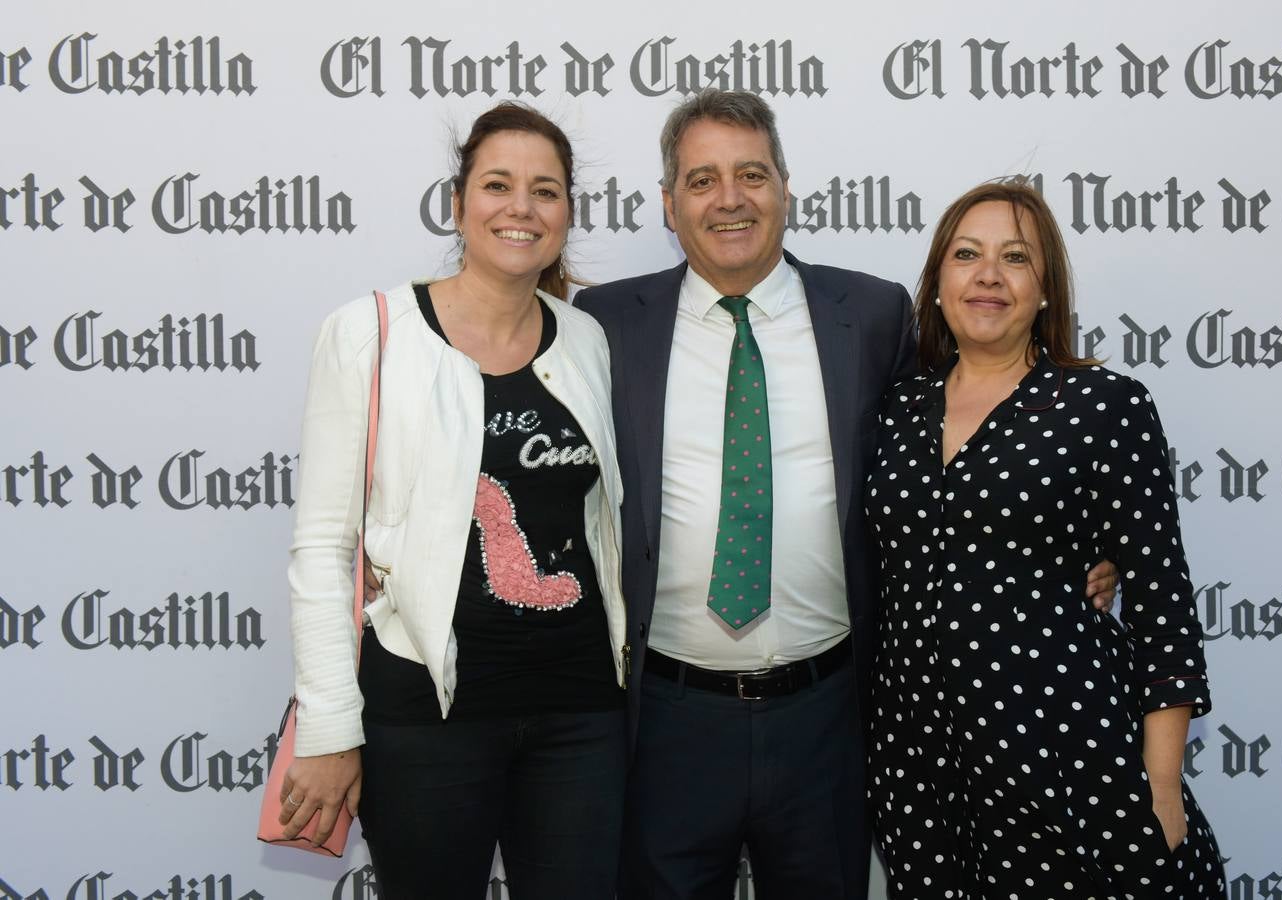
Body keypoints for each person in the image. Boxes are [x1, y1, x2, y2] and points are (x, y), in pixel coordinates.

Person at [575, 91, 1118, 899]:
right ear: (668, 203)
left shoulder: (869, 313)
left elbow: (949, 472)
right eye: (702, 180)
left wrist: (1077, 548)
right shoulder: (609, 321)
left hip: (830, 716)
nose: (730, 198)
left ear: (786, 188)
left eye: (752, 173)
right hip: (670, 717)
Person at [278, 102, 629, 899]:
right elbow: (324, 549)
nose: (521, 207)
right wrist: (330, 731)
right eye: (497, 184)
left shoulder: (587, 342)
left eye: (545, 190)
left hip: (581, 717)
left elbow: (605, 528)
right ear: (458, 202)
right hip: (424, 719)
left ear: (568, 213)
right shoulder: (369, 333)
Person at [867, 179, 1227, 899]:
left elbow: (1162, 603)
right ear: (937, 282)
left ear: (1047, 289)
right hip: (920, 769)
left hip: (1066, 757)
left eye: (1016, 258)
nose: (988, 275)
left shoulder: (1104, 405)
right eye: (967, 254)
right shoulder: (895, 408)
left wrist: (1159, 790)